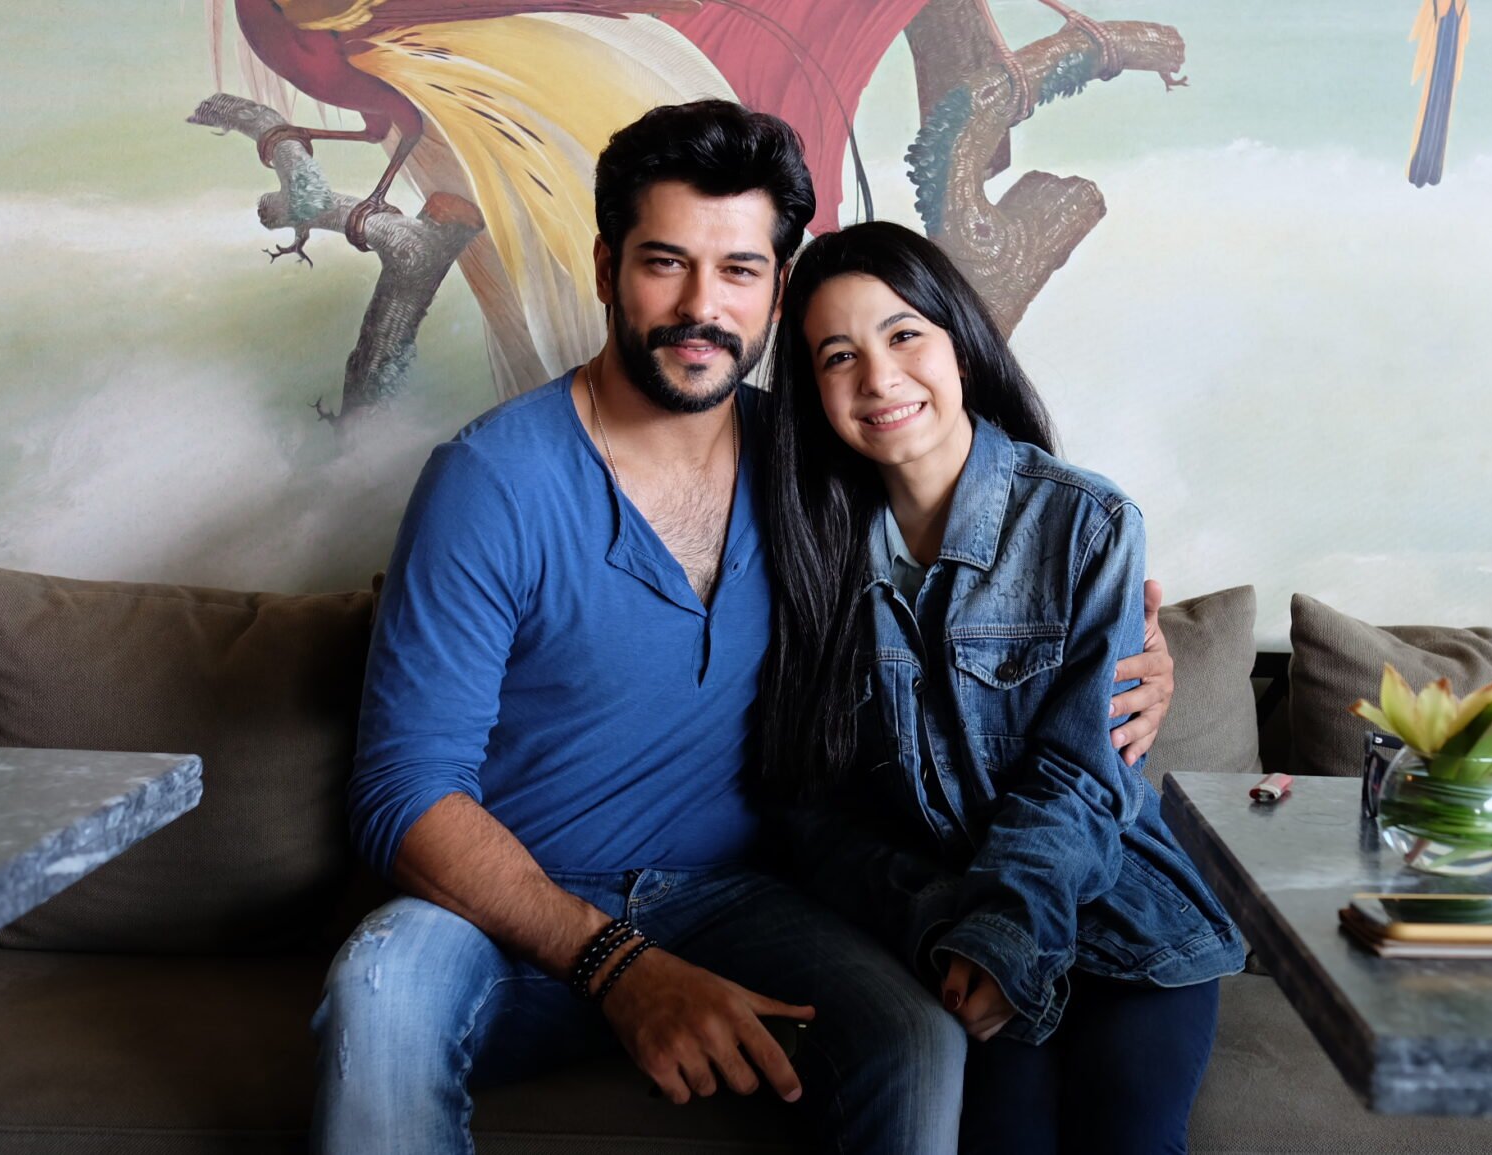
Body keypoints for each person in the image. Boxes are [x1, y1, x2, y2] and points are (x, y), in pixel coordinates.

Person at [310, 101, 1174, 1155]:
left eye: (739, 271)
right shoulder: (488, 482)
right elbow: (402, 792)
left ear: (778, 287)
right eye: (664, 264)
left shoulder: (821, 464)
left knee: (915, 1041)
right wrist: (617, 964)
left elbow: (986, 584)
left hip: (742, 901)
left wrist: (1129, 660)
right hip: (506, 912)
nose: (700, 307)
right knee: (378, 993)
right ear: (605, 268)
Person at [758, 221, 1247, 1155]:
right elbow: (815, 808)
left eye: (904, 334)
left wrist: (1005, 936)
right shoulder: (807, 553)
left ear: (961, 344)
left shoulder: (1086, 521)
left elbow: (1082, 773)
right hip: (945, 927)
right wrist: (945, 928)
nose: (879, 377)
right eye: (838, 355)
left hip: (1123, 915)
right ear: (813, 391)